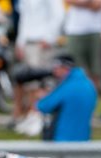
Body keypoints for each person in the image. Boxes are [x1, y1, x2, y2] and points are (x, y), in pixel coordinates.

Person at [9, 0, 65, 135]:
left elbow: (59, 13)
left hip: (40, 43)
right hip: (28, 42)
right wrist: (20, 42)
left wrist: (49, 37)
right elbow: (25, 18)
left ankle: (37, 118)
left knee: (38, 84)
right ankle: (27, 117)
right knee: (27, 84)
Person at [36, 54, 97, 141]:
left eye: (56, 67)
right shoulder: (88, 84)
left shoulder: (67, 86)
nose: (54, 71)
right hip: (84, 140)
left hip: (63, 141)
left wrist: (42, 95)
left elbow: (43, 106)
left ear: (65, 67)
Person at [63, 0, 101, 88]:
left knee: (96, 70)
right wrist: (89, 2)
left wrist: (81, 3)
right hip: (75, 31)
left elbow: (98, 5)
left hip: (95, 30)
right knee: (76, 69)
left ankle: (94, 97)